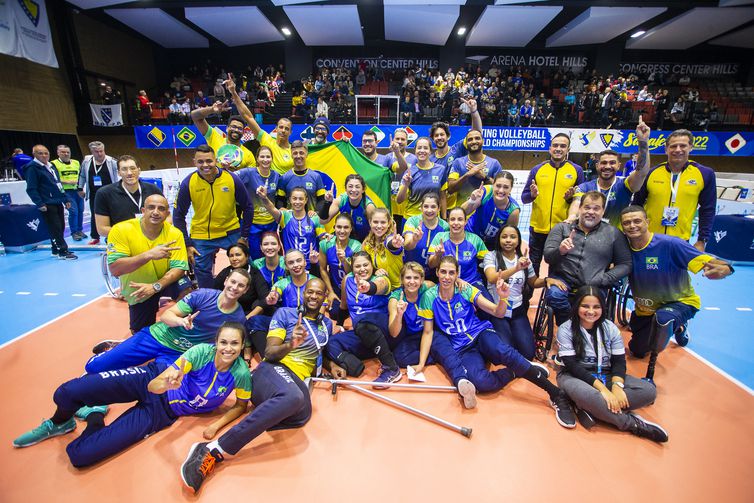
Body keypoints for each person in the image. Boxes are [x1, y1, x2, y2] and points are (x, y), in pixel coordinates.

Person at [179, 279, 347, 493]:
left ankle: (271, 408)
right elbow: (270, 353)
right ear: (303, 294)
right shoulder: (286, 314)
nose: (313, 296)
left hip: (295, 380)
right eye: (309, 292)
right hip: (271, 371)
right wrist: (291, 344)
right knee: (294, 398)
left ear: (325, 297)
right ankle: (213, 449)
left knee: (301, 415)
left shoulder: (327, 324)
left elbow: (318, 351)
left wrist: (331, 365)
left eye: (318, 293)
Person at [13, 323, 252, 467]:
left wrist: (216, 426)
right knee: (67, 392)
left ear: (242, 346)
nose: (228, 348)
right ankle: (59, 422)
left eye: (234, 343)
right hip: (147, 378)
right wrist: (165, 383)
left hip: (160, 413)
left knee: (79, 456)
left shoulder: (240, 373)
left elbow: (241, 405)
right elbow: (156, 384)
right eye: (223, 342)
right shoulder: (201, 352)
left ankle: (95, 414)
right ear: (216, 342)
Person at [414, 256, 576, 426]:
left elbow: (497, 312)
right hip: (462, 347)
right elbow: (427, 332)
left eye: (451, 272)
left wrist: (503, 298)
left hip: (480, 333)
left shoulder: (465, 289)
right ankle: (516, 371)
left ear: (457, 274)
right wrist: (420, 363)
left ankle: (555, 393)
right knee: (482, 383)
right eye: (443, 272)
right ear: (437, 273)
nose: (447, 277)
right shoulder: (429, 297)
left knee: (503, 351)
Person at [555, 287, 668, 442]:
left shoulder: (610, 328)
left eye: (596, 307)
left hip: (606, 374)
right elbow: (572, 366)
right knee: (592, 397)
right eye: (585, 306)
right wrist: (603, 390)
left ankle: (588, 407)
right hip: (574, 376)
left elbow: (619, 361)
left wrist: (616, 386)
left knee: (649, 391)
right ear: (577, 307)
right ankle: (633, 424)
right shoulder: (566, 329)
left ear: (603, 308)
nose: (590, 311)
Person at [619, 206, 733, 359]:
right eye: (627, 223)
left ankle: (677, 322)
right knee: (638, 350)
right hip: (645, 310)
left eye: (637, 221)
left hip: (679, 302)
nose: (632, 226)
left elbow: (712, 262)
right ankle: (678, 327)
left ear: (647, 222)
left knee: (663, 319)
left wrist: (726, 269)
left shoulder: (671, 244)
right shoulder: (622, 249)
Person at [85, 269, 250, 374]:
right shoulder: (203, 296)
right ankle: (115, 351)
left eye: (241, 286)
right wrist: (181, 321)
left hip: (178, 354)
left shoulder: (237, 318)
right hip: (157, 337)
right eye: (233, 282)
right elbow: (166, 316)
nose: (235, 287)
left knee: (156, 385)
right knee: (94, 368)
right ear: (226, 281)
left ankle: (126, 350)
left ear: (246, 290)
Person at [543, 191, 632, 324]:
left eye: (596, 208)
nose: (591, 212)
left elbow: (626, 263)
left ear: (603, 211)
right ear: (579, 209)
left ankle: (586, 330)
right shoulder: (562, 228)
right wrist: (560, 251)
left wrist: (605, 278)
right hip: (563, 280)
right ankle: (569, 327)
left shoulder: (613, 234)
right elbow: (548, 257)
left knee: (593, 306)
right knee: (555, 296)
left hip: (595, 284)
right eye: (587, 207)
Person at [107, 194, 190, 333]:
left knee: (187, 293)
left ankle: (186, 330)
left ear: (167, 214)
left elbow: (179, 268)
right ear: (143, 211)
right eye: (151, 207)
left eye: (161, 209)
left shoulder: (175, 234)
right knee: (140, 332)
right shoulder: (121, 230)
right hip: (139, 286)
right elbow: (115, 269)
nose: (156, 212)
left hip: (165, 281)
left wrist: (155, 286)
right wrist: (148, 255)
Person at [173, 145, 253, 288]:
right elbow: (178, 215)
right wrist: (188, 244)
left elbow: (248, 207)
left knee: (246, 264)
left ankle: (246, 299)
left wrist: (244, 236)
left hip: (231, 231)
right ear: (194, 162)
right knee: (201, 270)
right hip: (201, 235)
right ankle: (209, 300)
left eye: (209, 161)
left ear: (215, 160)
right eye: (200, 162)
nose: (205, 165)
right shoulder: (188, 183)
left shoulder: (231, 179)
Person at [632, 129, 716, 252]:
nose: (678, 150)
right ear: (666, 149)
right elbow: (636, 205)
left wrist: (702, 240)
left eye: (683, 146)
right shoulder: (652, 173)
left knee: (678, 272)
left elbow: (708, 209)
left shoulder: (705, 174)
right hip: (649, 239)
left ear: (691, 147)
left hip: (681, 241)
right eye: (673, 146)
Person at [326, 251, 402, 384]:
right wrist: (339, 324)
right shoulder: (347, 280)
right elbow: (343, 305)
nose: (362, 269)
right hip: (363, 333)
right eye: (358, 266)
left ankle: (391, 368)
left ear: (372, 266)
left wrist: (369, 287)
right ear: (352, 268)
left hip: (382, 329)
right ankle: (354, 366)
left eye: (365, 265)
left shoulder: (381, 278)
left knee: (362, 322)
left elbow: (380, 286)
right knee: (330, 342)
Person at [567, 118, 651, 228]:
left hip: (616, 239)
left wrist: (643, 142)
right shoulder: (585, 187)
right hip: (591, 239)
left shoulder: (625, 185)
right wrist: (572, 217)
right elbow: (577, 203)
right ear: (597, 166)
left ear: (618, 166)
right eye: (604, 163)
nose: (607, 166)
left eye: (612, 163)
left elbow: (642, 171)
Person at [521, 133, 584, 275]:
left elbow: (581, 201)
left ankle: (553, 296)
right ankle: (528, 296)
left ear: (568, 149)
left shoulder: (577, 171)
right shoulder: (537, 170)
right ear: (550, 149)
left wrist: (569, 198)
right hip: (538, 229)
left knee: (558, 267)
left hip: (563, 229)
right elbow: (524, 198)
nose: (558, 148)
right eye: (555, 145)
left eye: (563, 146)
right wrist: (532, 195)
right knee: (533, 267)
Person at [483, 225, 546, 360]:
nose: (508, 240)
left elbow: (533, 282)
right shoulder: (491, 256)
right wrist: (516, 268)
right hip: (498, 311)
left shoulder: (524, 260)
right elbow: (492, 278)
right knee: (506, 352)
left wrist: (548, 280)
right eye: (504, 237)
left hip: (517, 310)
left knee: (528, 353)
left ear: (518, 241)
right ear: (499, 239)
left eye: (513, 237)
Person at [225, 74, 293, 175]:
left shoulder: (294, 150)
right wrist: (234, 93)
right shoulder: (267, 140)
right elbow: (248, 117)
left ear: (290, 132)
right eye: (281, 127)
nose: (283, 130)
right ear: (276, 129)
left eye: (287, 129)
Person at [212, 243, 272, 356]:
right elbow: (214, 294)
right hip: (228, 312)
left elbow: (264, 298)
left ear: (247, 256)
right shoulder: (225, 274)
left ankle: (251, 351)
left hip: (248, 313)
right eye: (231, 255)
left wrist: (248, 317)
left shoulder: (254, 273)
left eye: (238, 255)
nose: (234, 258)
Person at [24, 145, 77, 260]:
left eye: (46, 153)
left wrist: (65, 199)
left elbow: (57, 184)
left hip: (57, 200)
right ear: (34, 154)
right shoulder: (32, 168)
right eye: (40, 153)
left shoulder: (51, 166)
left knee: (61, 226)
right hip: (47, 203)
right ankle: (63, 251)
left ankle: (56, 249)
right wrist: (40, 203)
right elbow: (31, 188)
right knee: (55, 227)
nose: (44, 155)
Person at [93, 155, 162, 239]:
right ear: (118, 173)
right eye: (124, 169)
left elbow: (168, 217)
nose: (129, 173)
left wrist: (153, 231)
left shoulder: (153, 189)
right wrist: (132, 235)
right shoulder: (104, 193)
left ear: (139, 170)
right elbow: (102, 229)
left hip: (151, 238)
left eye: (132, 168)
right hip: (122, 241)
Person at [387, 262, 435, 368]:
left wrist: (458, 280)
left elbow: (445, 291)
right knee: (399, 358)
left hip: (430, 330)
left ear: (421, 280)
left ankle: (434, 353)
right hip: (412, 336)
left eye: (416, 278)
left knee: (445, 345)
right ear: (402, 280)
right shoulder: (395, 299)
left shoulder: (428, 287)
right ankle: (433, 356)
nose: (412, 282)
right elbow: (393, 333)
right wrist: (399, 314)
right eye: (408, 278)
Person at [427, 207, 488, 291]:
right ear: (448, 221)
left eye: (460, 219)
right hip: (447, 282)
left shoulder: (475, 240)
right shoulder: (440, 237)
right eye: (452, 219)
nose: (456, 223)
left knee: (488, 301)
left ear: (465, 222)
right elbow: (431, 265)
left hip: (472, 282)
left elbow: (488, 261)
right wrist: (438, 255)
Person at [237, 146, 281, 260]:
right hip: (252, 223)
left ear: (272, 159)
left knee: (271, 254)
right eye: (262, 156)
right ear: (257, 159)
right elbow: (230, 177)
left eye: (268, 156)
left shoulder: (276, 176)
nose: (265, 159)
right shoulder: (248, 172)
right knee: (255, 256)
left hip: (271, 223)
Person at [258, 186, 324, 257]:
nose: (297, 202)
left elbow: (323, 238)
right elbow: (271, 208)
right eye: (294, 198)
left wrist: (328, 237)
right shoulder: (285, 216)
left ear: (306, 200)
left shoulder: (314, 218)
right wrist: (264, 198)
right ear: (290, 200)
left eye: (301, 199)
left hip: (311, 264)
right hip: (290, 264)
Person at [191, 99, 256, 171]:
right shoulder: (214, 137)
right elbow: (195, 116)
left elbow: (251, 178)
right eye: (233, 127)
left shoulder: (248, 155)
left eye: (240, 128)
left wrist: (235, 172)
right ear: (227, 128)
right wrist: (211, 109)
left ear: (243, 132)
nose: (236, 130)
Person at [319, 214, 361, 321]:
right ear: (334, 228)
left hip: (352, 287)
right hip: (335, 288)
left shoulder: (356, 246)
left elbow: (355, 274)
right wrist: (330, 291)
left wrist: (344, 261)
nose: (342, 231)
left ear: (351, 229)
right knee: (334, 313)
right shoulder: (325, 244)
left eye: (346, 227)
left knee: (353, 313)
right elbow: (323, 269)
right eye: (339, 227)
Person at [462, 171, 520, 250]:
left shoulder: (513, 210)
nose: (501, 190)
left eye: (506, 187)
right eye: (498, 186)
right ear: (493, 185)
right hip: (471, 234)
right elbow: (463, 213)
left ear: (511, 189)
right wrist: (472, 200)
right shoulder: (486, 192)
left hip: (491, 244)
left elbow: (508, 235)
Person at [77, 141, 119, 245]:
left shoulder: (111, 161)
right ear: (92, 151)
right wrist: (80, 188)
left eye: (101, 151)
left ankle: (111, 235)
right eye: (96, 152)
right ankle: (95, 236)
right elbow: (82, 175)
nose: (100, 154)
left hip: (110, 193)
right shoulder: (87, 161)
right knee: (94, 214)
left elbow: (118, 175)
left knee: (113, 214)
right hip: (94, 193)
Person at [448, 129, 502, 209]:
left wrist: (484, 177)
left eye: (477, 138)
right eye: (470, 139)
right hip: (463, 213)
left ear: (482, 141)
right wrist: (467, 175)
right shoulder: (458, 163)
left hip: (485, 213)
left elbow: (501, 189)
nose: (473, 141)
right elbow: (450, 189)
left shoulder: (494, 164)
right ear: (466, 143)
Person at [396, 137, 448, 219]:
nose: (422, 151)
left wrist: (444, 218)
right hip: (412, 218)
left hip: (433, 218)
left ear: (430, 151)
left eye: (425, 148)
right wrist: (406, 185)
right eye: (419, 148)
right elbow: (399, 200)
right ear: (415, 151)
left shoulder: (440, 170)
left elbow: (442, 196)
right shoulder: (409, 171)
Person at [402, 193, 449, 276]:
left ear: (439, 208)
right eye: (426, 206)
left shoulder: (445, 227)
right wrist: (414, 239)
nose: (429, 210)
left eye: (433, 207)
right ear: (421, 208)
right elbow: (407, 246)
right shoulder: (412, 221)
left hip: (434, 273)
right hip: (411, 271)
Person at [320, 174, 375, 241]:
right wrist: (327, 203)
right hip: (345, 237)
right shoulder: (341, 200)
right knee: (325, 241)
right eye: (350, 186)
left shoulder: (369, 207)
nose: (354, 190)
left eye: (357, 187)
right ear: (346, 189)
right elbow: (322, 221)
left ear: (363, 189)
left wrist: (362, 247)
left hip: (363, 240)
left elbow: (375, 231)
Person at [275, 141, 326, 213]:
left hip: (310, 221)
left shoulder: (316, 177)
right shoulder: (284, 178)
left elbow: (321, 200)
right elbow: (279, 200)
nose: (298, 156)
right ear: (291, 155)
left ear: (306, 154)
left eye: (301, 153)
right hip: (291, 221)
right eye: (295, 153)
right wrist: (282, 209)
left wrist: (316, 212)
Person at [362, 208, 405, 290]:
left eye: (383, 222)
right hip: (377, 287)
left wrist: (394, 244)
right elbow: (364, 263)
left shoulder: (391, 239)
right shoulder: (366, 243)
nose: (379, 226)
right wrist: (375, 271)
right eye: (375, 222)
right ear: (370, 222)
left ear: (389, 223)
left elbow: (390, 244)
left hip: (397, 289)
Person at [51, 145, 85, 241]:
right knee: (73, 211)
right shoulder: (54, 164)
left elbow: (81, 176)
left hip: (77, 190)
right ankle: (74, 232)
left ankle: (79, 230)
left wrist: (81, 187)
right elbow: (53, 179)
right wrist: (67, 182)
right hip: (66, 192)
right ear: (58, 153)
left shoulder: (76, 162)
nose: (66, 154)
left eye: (67, 152)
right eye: (63, 152)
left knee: (80, 210)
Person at [382, 129, 412, 232]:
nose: (399, 141)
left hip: (406, 207)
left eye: (402, 139)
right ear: (393, 140)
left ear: (407, 142)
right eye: (397, 138)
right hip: (390, 207)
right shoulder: (387, 158)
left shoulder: (414, 158)